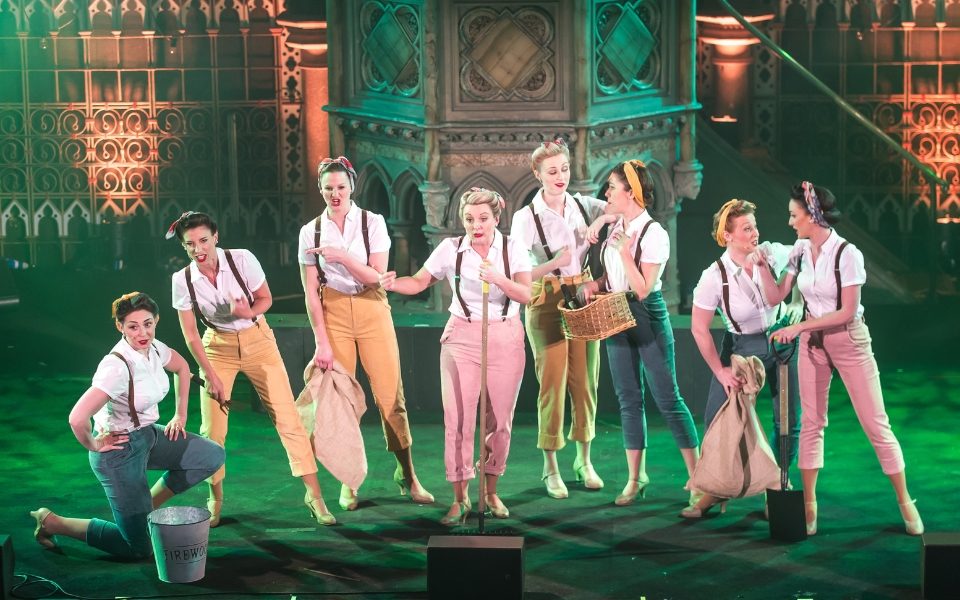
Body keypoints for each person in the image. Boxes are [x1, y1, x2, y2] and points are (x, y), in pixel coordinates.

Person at [757, 181, 923, 536]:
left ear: (813, 215)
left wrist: (800, 328)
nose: (789, 222)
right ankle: (810, 505)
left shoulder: (848, 254)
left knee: (875, 424)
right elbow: (776, 296)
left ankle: (905, 499)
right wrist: (760, 266)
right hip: (813, 344)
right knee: (813, 424)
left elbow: (847, 312)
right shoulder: (800, 250)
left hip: (848, 340)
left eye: (793, 215)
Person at [170, 212, 335, 527]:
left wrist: (247, 310)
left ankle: (314, 496)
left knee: (288, 419)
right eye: (190, 244)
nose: (198, 248)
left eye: (203, 240)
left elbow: (266, 299)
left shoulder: (242, 260)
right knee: (212, 431)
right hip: (216, 348)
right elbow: (190, 335)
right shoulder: (183, 280)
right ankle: (214, 499)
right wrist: (210, 374)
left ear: (215, 237)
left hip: (258, 339)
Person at [29, 292, 225, 557]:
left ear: (156, 320)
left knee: (211, 455)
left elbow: (181, 368)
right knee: (139, 549)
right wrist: (95, 444)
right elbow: (77, 418)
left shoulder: (156, 348)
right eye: (133, 326)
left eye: (147, 323)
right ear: (120, 327)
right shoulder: (116, 367)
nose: (142, 332)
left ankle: (147, 508)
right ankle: (52, 522)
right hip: (118, 452)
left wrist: (180, 415)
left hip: (148, 437)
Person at [382, 188, 532, 525]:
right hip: (462, 337)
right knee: (459, 420)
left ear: (496, 219)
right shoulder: (451, 249)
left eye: (482, 219)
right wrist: (391, 283)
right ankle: (460, 497)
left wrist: (498, 278)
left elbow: (527, 294)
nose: (475, 226)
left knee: (500, 421)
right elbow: (419, 282)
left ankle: (491, 490)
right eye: (469, 219)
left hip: (505, 334)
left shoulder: (513, 249)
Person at [299, 156, 432, 511]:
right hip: (334, 310)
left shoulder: (371, 222)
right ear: (321, 189)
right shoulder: (310, 231)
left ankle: (407, 473)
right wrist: (321, 341)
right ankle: (349, 479)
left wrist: (341, 256)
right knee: (343, 399)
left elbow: (378, 275)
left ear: (352, 187)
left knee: (391, 396)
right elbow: (311, 292)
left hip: (372, 306)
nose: (335, 194)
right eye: (328, 188)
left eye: (341, 187)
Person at [580, 160, 700, 506]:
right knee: (628, 398)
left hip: (646, 314)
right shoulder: (616, 225)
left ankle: (698, 477)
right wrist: (596, 283)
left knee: (667, 398)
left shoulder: (655, 233)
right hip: (617, 312)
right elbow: (613, 276)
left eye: (612, 188)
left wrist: (625, 253)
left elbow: (644, 288)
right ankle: (636, 478)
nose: (607, 194)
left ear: (630, 192)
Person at [684, 199, 802, 517]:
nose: (755, 233)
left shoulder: (770, 253)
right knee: (719, 420)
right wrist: (721, 371)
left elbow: (805, 252)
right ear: (728, 236)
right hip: (743, 348)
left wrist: (796, 300)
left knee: (788, 421)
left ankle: (778, 484)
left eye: (755, 226)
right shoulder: (714, 277)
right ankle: (716, 490)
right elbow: (698, 329)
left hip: (783, 342)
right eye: (747, 228)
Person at [510, 138, 607, 499]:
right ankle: (551, 466)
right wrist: (553, 263)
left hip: (581, 293)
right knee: (552, 383)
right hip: (546, 296)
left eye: (564, 169)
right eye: (552, 171)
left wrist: (603, 224)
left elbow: (618, 211)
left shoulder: (583, 205)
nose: (560, 176)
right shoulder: (525, 218)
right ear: (538, 175)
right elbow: (520, 274)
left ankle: (584, 459)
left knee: (585, 380)